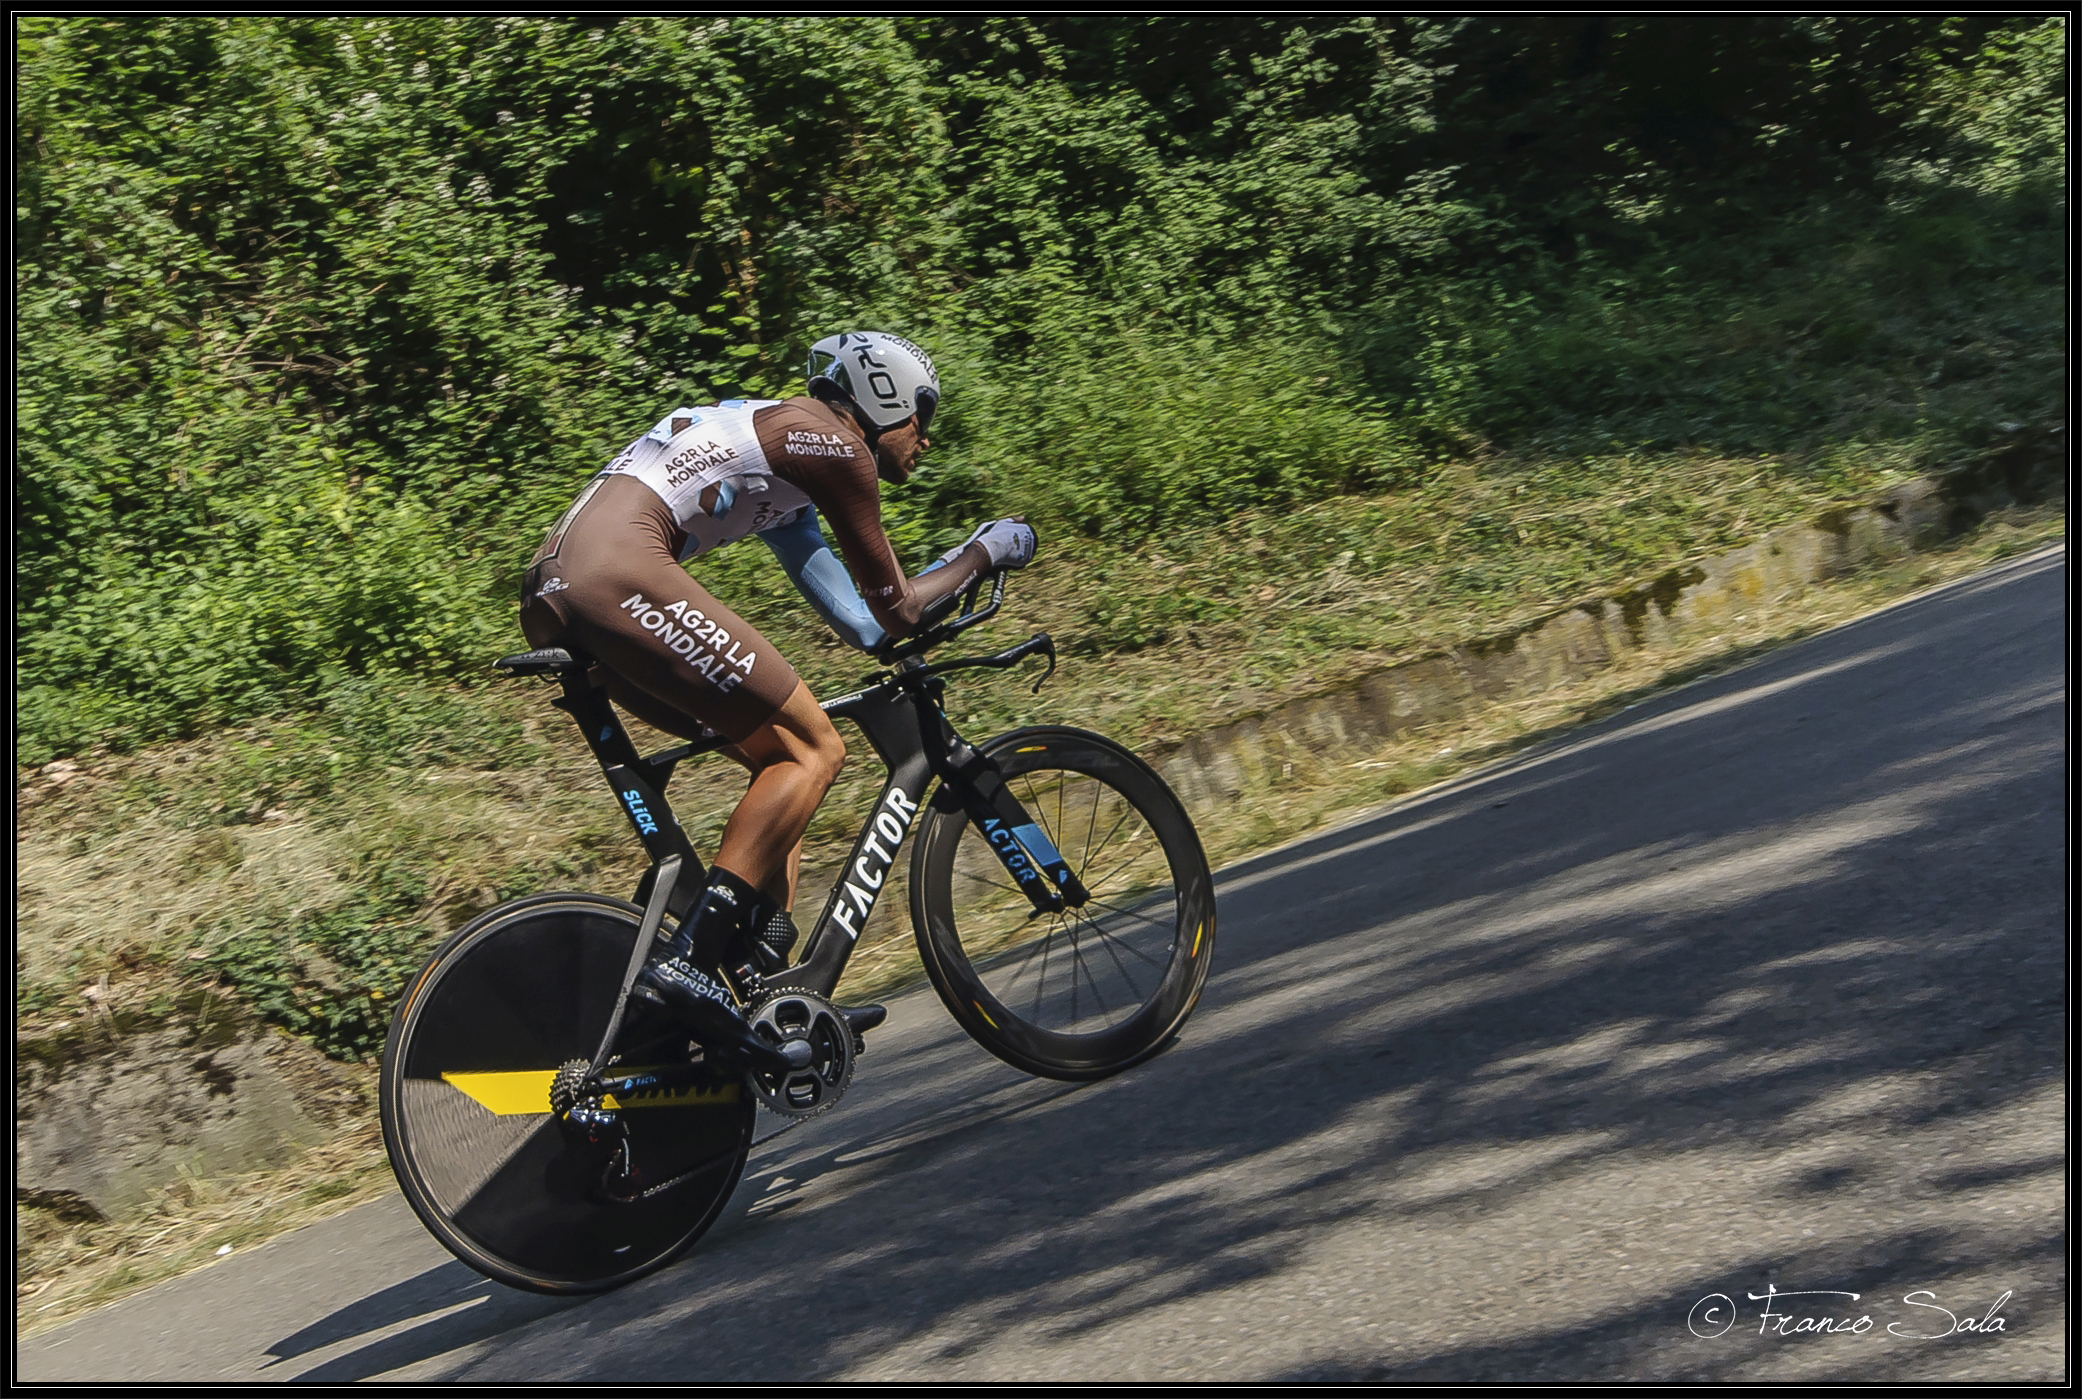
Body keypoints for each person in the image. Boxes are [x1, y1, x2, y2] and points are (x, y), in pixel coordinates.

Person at [517, 331, 1036, 1070]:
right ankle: (690, 960)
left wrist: (926, 598)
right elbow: (898, 611)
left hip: (561, 589)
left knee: (778, 761)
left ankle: (766, 984)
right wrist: (986, 551)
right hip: (612, 575)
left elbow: (864, 622)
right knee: (814, 749)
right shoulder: (834, 447)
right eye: (922, 413)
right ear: (882, 397)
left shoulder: (787, 458)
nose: (926, 436)